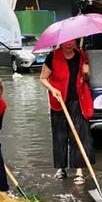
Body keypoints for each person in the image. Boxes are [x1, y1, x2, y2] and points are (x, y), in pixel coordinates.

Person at [40, 39, 95, 185]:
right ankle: (61, 168)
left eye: (72, 41)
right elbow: (43, 78)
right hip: (59, 100)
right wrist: (53, 89)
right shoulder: (52, 56)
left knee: (80, 133)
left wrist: (86, 73)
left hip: (79, 100)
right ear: (60, 42)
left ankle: (79, 171)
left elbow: (86, 80)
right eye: (66, 42)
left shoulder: (81, 55)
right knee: (60, 134)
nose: (69, 44)